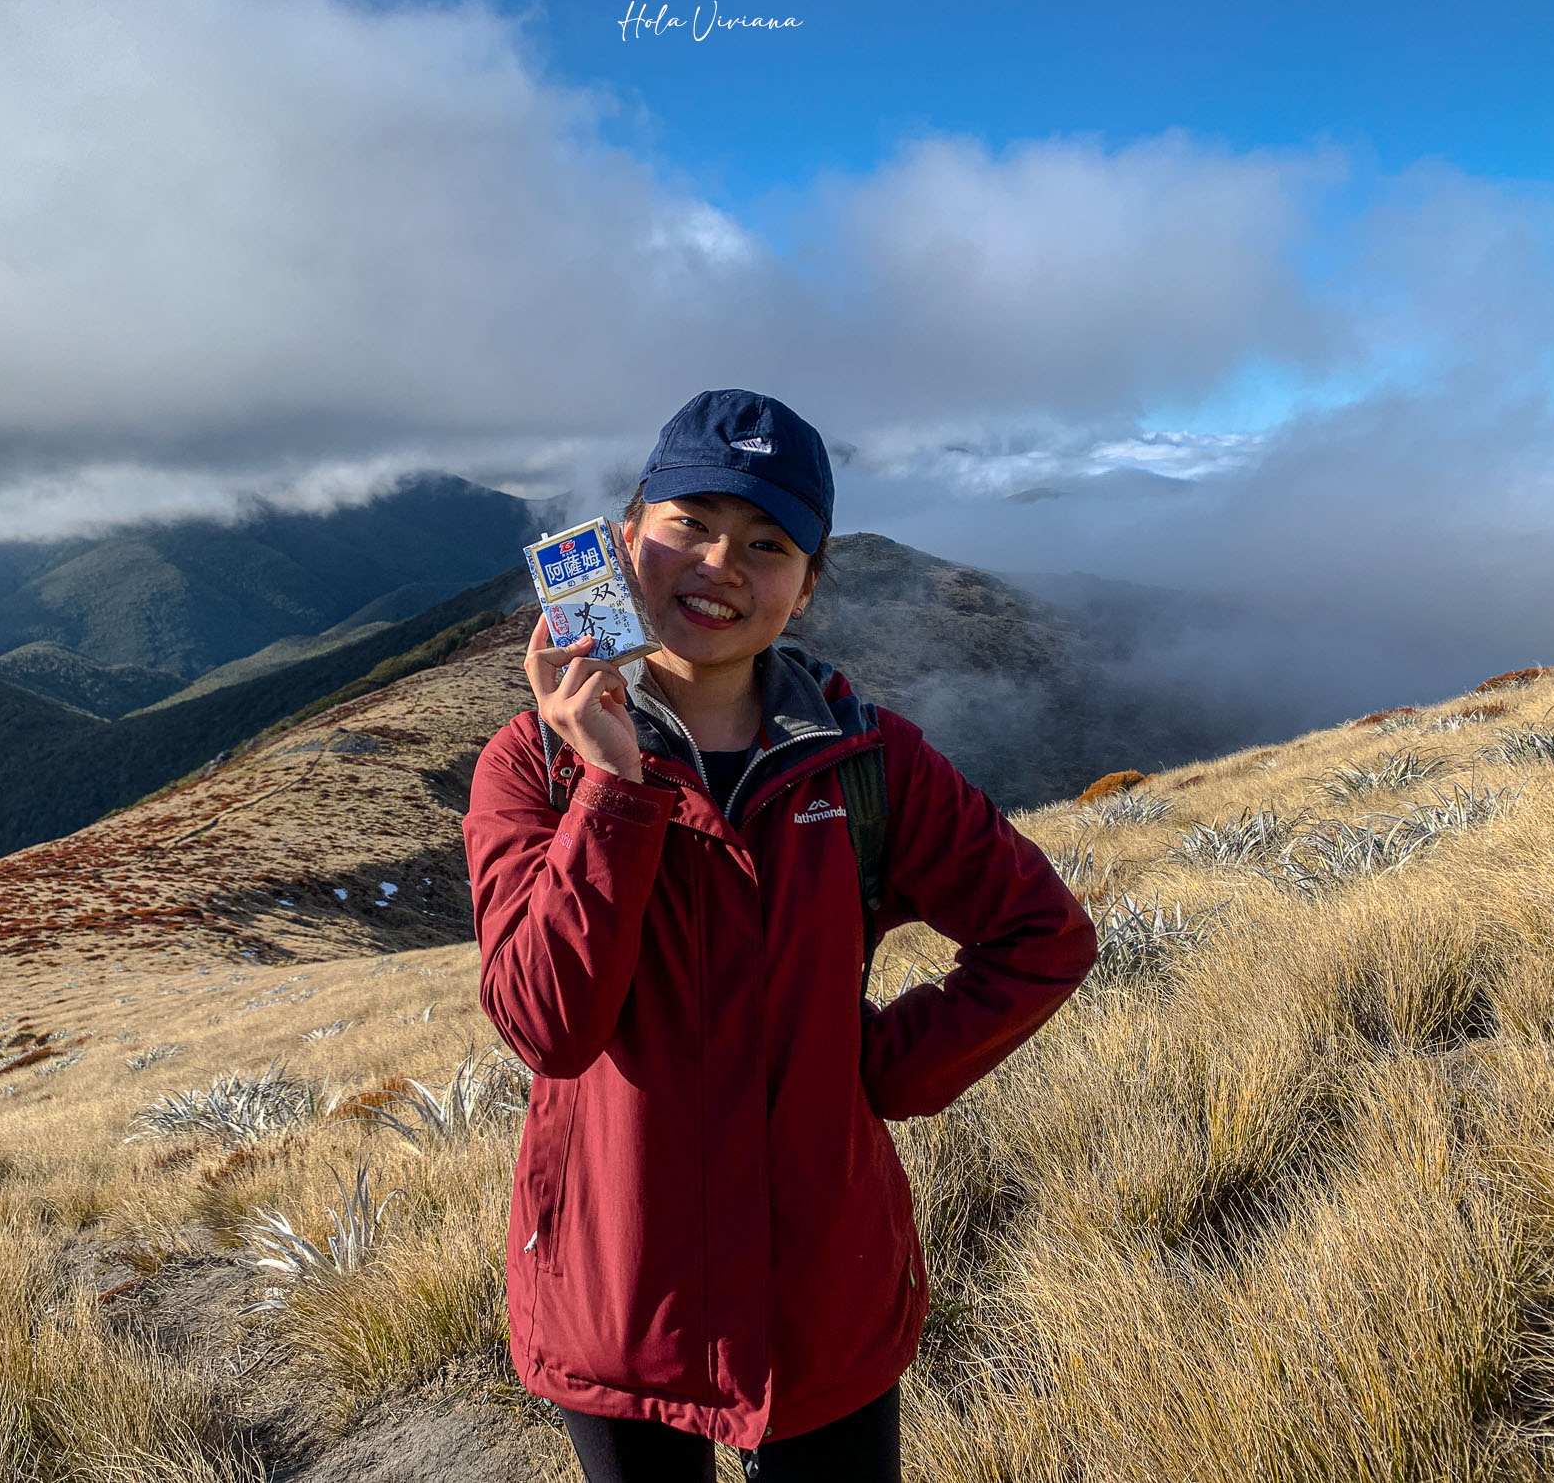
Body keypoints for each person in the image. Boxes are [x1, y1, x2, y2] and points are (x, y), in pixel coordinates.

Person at [463, 389, 1097, 1483]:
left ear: (805, 589)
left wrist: (870, 1071)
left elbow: (1040, 936)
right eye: (689, 523)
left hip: (821, 1288)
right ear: (622, 543)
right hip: (619, 1293)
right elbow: (546, 1028)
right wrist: (613, 786)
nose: (719, 564)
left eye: (766, 544)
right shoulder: (533, 767)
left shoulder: (868, 761)